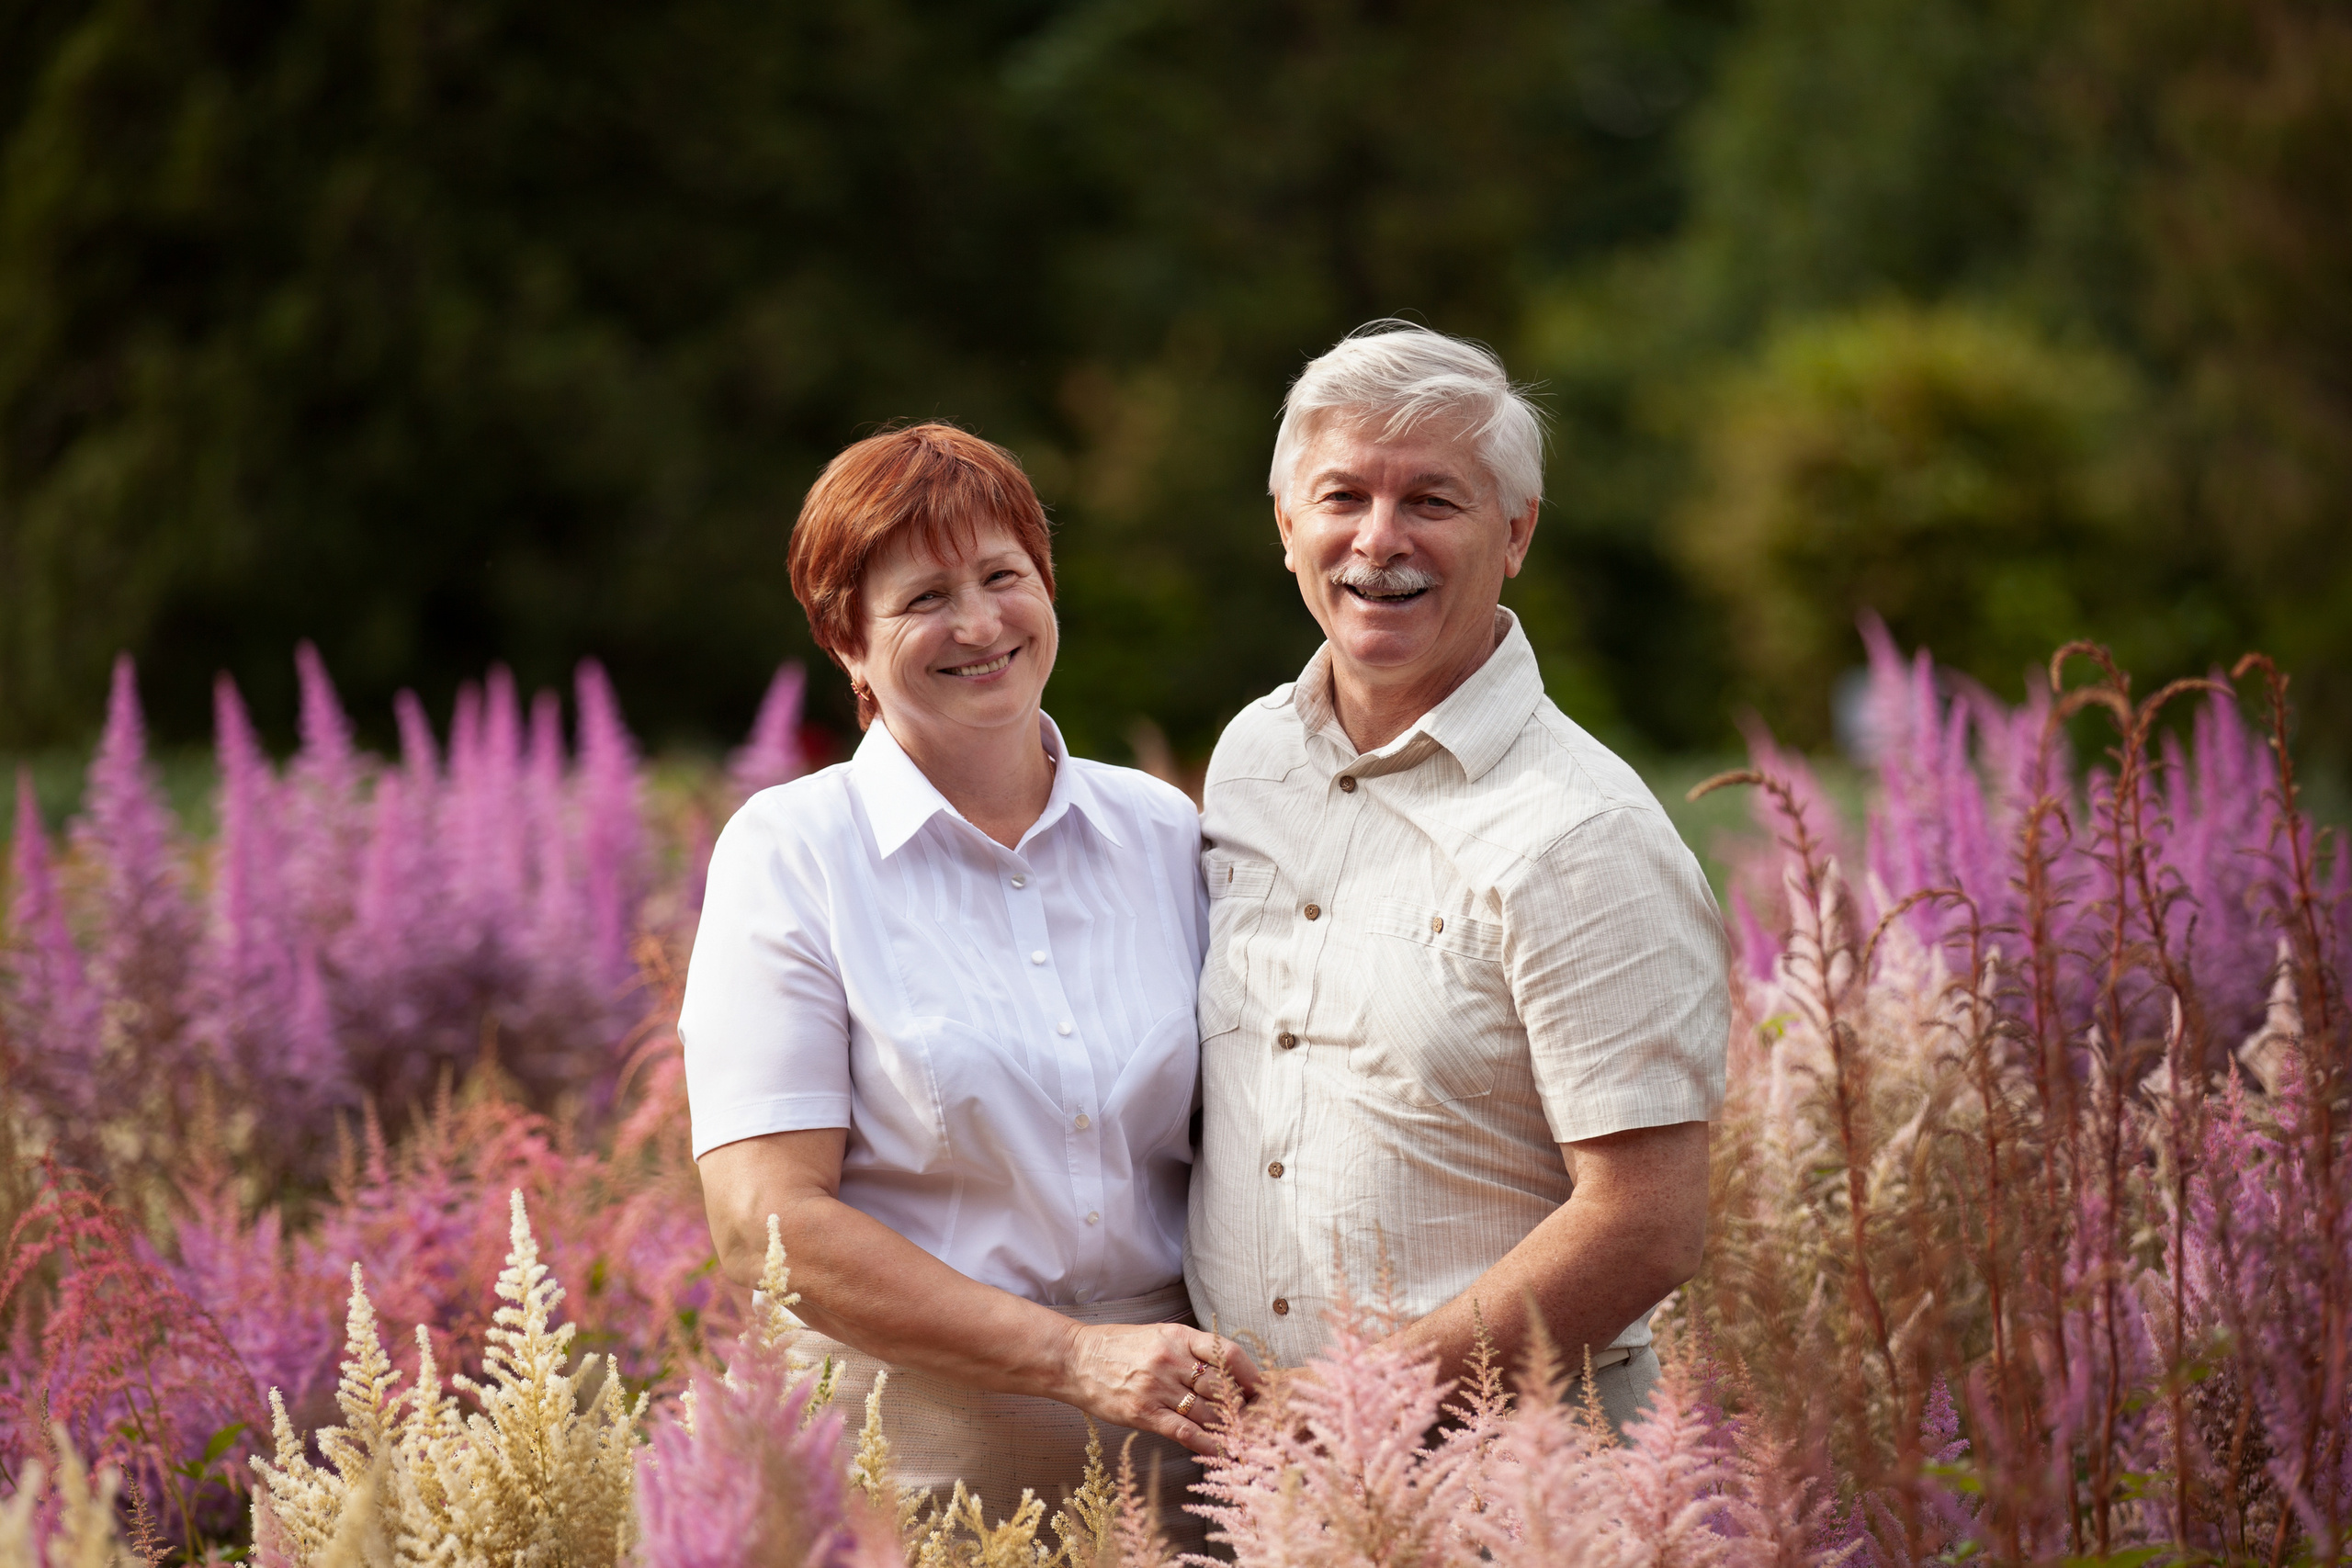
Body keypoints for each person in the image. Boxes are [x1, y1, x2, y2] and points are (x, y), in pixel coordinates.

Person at [684, 423, 1259, 1523]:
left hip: (1187, 1470)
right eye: (923, 599)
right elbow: (766, 1223)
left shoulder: (1160, 829)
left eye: (1004, 576)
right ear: (846, 641)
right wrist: (1073, 1359)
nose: (980, 623)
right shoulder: (790, 851)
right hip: (909, 1472)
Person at [1184, 322, 1730, 1431]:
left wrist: (1354, 1406)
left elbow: (1648, 1221)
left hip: (1507, 1479)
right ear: (1286, 523)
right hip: (1257, 1486)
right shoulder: (1252, 758)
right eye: (1342, 497)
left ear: (1517, 532)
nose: (1378, 542)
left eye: (1432, 501)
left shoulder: (1584, 833)